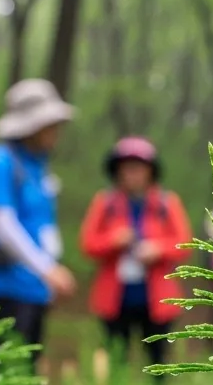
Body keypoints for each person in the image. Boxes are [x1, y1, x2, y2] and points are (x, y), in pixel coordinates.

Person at [0, 79, 77, 367]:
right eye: (49, 124)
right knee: (2, 376)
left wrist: (47, 276)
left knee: (27, 374)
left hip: (33, 289)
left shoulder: (38, 168)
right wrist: (47, 270)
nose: (56, 131)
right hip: (2, 287)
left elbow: (43, 226)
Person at [79, 137, 191, 370]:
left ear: (151, 171)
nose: (133, 174)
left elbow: (184, 243)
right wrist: (114, 240)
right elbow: (88, 244)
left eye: (138, 168)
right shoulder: (105, 203)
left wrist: (157, 248)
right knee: (116, 361)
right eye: (127, 169)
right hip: (115, 299)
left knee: (159, 363)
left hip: (157, 299)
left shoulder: (167, 203)